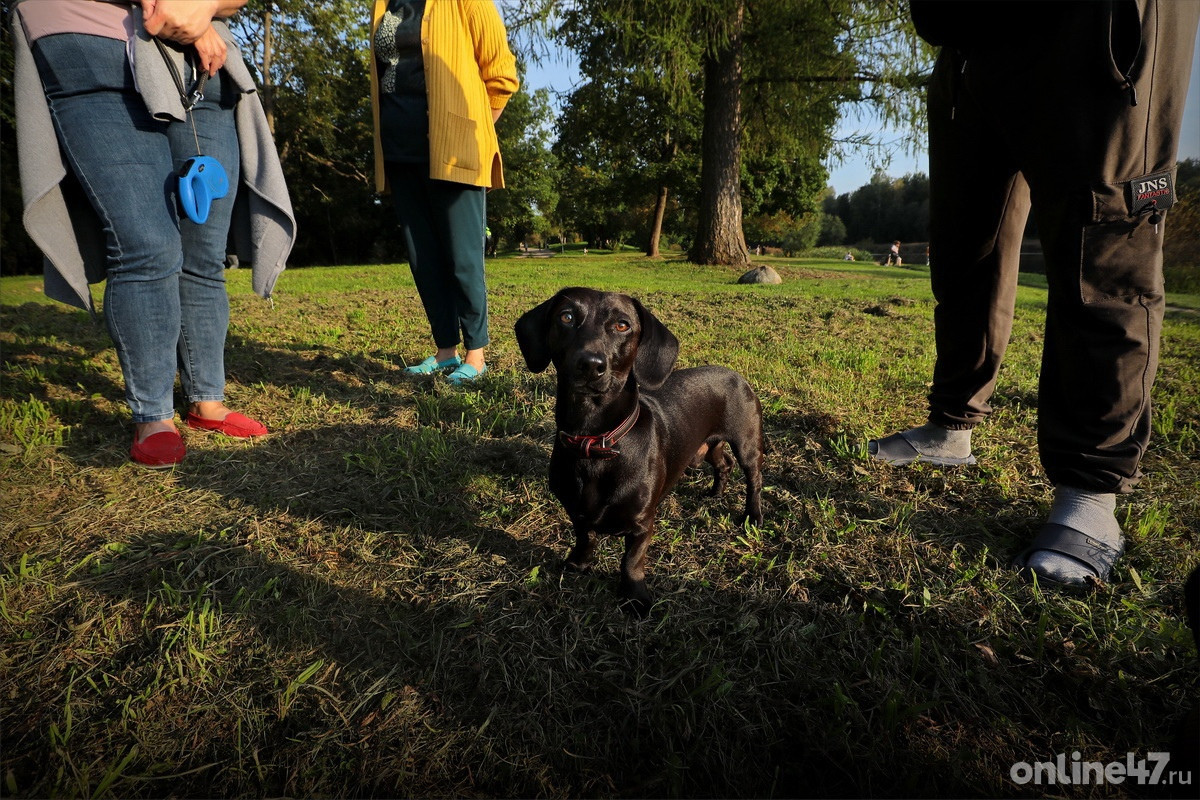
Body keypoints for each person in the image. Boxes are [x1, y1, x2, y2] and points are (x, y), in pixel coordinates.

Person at [870, 0, 1200, 588]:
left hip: (1096, 24)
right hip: (969, 39)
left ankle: (1090, 491)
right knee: (966, 248)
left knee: (1105, 248)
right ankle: (951, 426)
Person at [13, 0, 296, 468]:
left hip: (203, 61)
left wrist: (203, 9)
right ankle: (153, 414)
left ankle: (207, 399)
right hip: (87, 43)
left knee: (204, 251)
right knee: (146, 244)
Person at [369, 0, 518, 385]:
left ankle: (477, 354)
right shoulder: (385, 4)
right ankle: (445, 351)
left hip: (454, 148)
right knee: (423, 257)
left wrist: (473, 132)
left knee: (463, 257)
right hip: (399, 147)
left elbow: (501, 76)